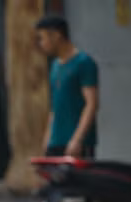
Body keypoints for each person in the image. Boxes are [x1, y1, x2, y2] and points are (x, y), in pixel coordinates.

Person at [36, 15, 99, 158]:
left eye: (42, 38)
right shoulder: (55, 66)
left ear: (56, 36)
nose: (41, 44)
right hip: (56, 142)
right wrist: (48, 136)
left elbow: (91, 104)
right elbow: (55, 106)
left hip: (76, 144)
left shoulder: (84, 63)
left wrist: (78, 139)